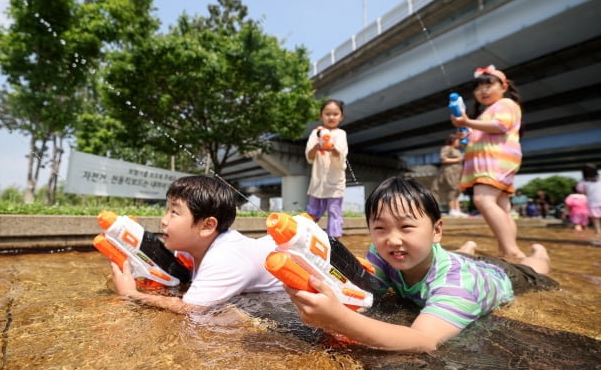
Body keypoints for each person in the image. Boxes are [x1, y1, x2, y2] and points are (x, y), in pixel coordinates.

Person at [284, 177, 557, 353]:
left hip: (501, 275)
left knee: (533, 269)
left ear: (437, 230)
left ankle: (538, 252)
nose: (392, 240)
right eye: (380, 228)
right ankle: (468, 249)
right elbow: (364, 285)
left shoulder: (458, 286)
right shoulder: (382, 254)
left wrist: (339, 319)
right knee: (447, 255)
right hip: (453, 260)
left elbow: (423, 341)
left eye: (406, 227)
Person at [110, 175, 283, 311]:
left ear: (207, 226)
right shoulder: (188, 249)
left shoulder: (225, 258)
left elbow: (191, 308)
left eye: (174, 212)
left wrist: (130, 293)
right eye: (167, 210)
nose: (163, 220)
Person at [451, 65, 526, 260]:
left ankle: (511, 250)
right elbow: (484, 133)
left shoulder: (506, 104)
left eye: (488, 85)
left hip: (495, 160)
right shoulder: (488, 112)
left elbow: (500, 126)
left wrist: (467, 122)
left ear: (504, 86)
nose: (482, 90)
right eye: (478, 87)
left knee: (483, 200)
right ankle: (507, 249)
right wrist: (466, 133)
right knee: (503, 207)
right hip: (497, 160)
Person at [305, 99, 348, 238]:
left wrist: (331, 147)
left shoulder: (341, 134)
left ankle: (334, 242)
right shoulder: (315, 133)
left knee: (334, 212)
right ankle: (307, 239)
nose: (331, 117)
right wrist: (317, 147)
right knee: (312, 213)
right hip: (318, 183)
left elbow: (341, 155)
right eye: (327, 114)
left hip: (335, 183)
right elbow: (309, 156)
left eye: (335, 114)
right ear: (321, 115)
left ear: (341, 116)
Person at [431, 134, 466, 217]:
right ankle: (452, 210)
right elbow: (443, 159)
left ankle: (457, 210)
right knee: (452, 189)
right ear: (452, 141)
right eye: (457, 141)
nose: (458, 142)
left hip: (457, 173)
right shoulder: (447, 148)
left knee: (457, 190)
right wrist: (457, 159)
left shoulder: (457, 150)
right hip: (450, 171)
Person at [576, 163, 601, 234]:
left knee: (597, 223)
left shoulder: (583, 181)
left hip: (593, 203)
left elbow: (580, 190)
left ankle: (599, 238)